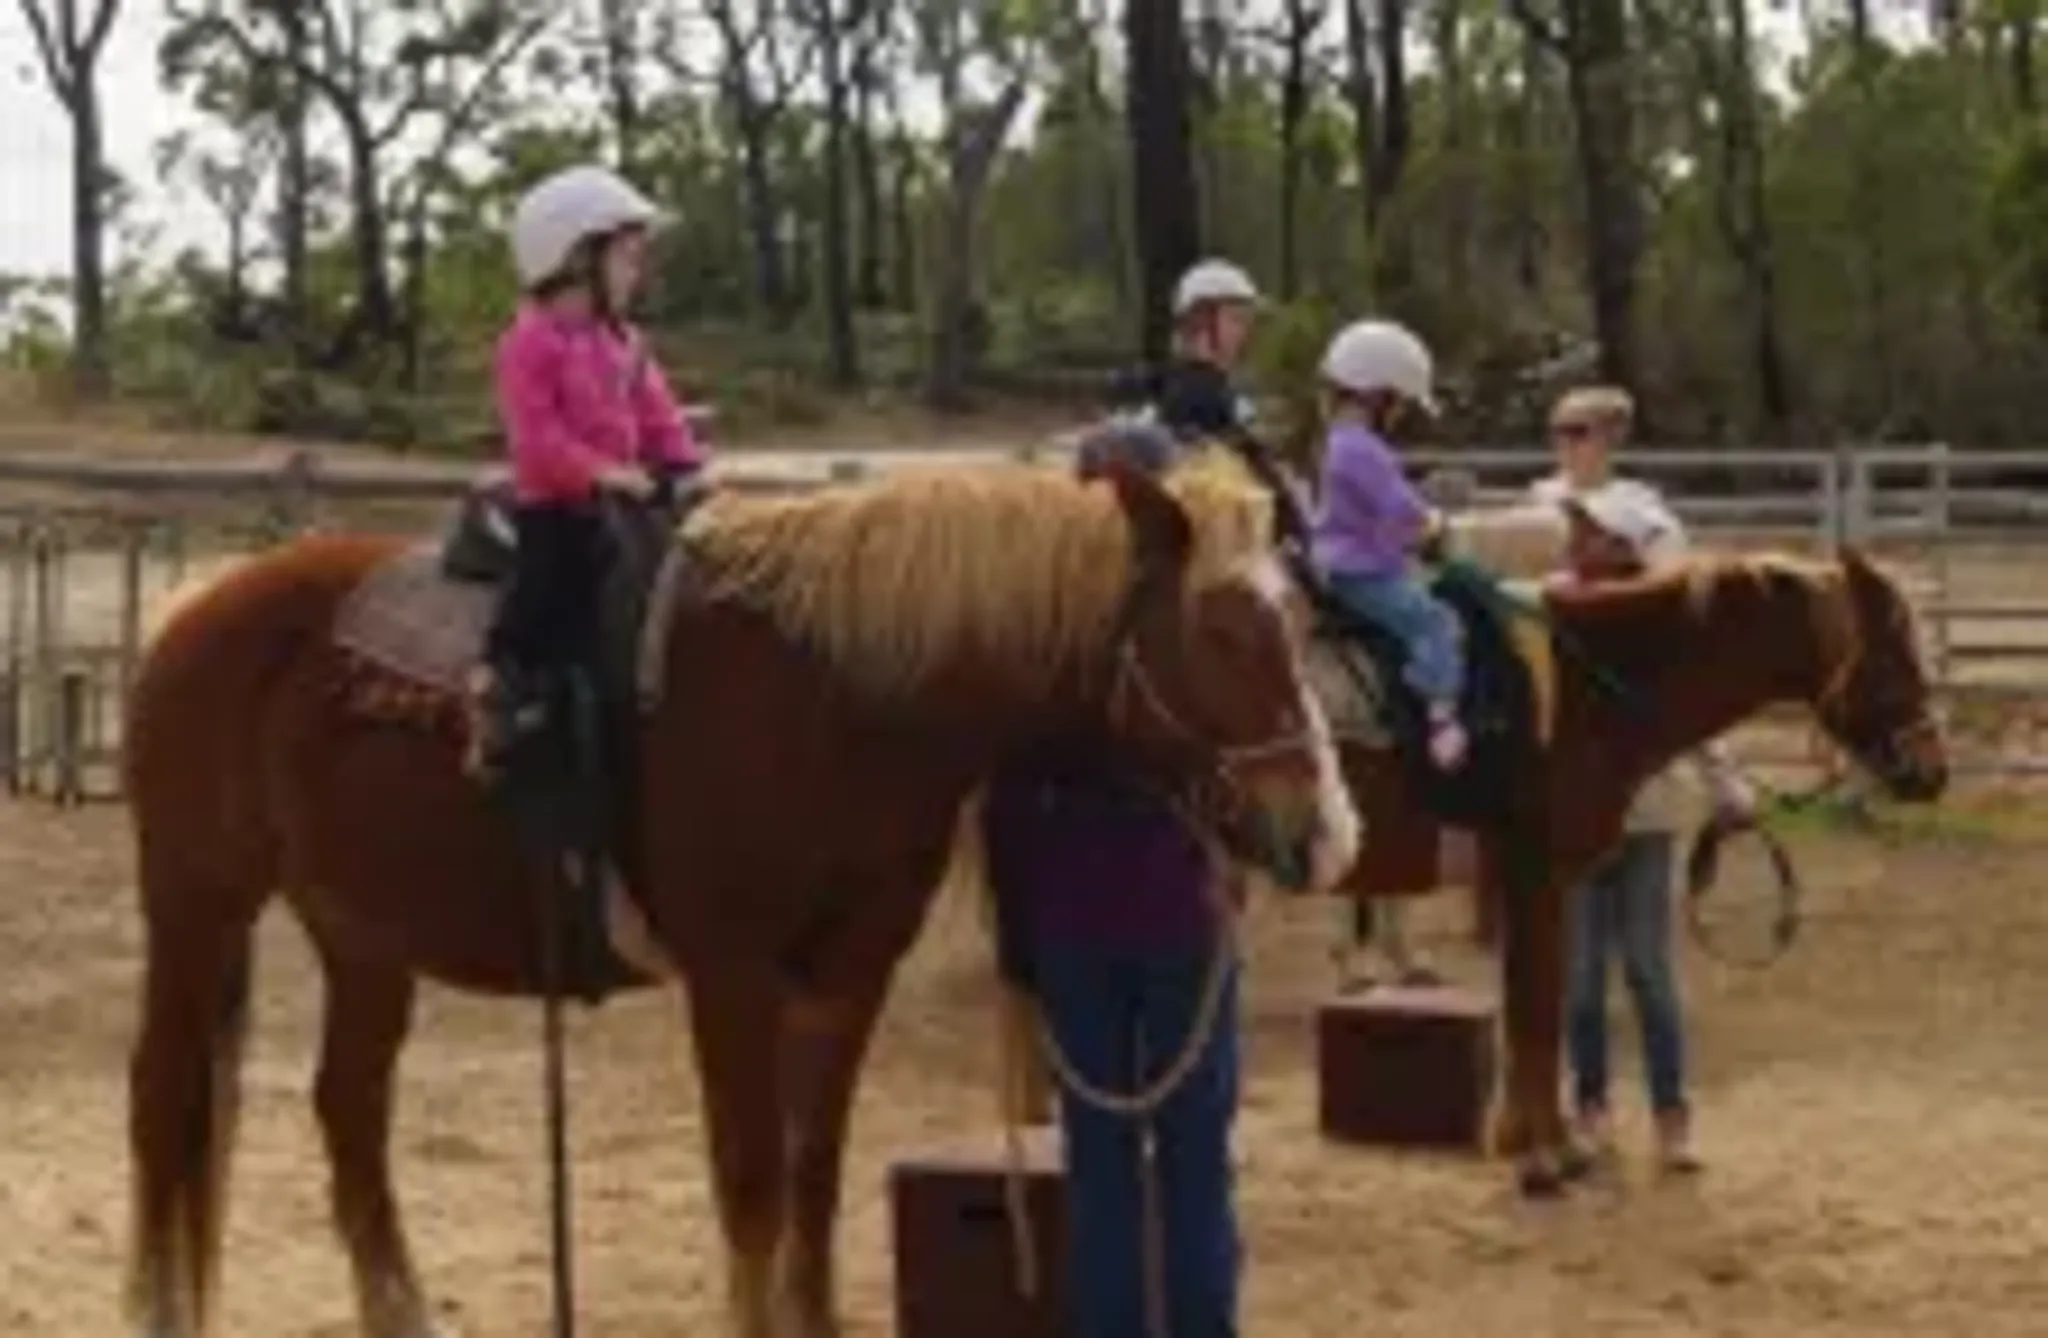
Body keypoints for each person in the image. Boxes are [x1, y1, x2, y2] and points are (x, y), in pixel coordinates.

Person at [983, 422, 1244, 1338]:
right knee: (1193, 1159)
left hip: (1070, 916)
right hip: (1176, 910)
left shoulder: (1034, 636)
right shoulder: (1190, 618)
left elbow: (1002, 802)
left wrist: (1016, 945)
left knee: (1101, 1165)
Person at [1531, 385, 1756, 1173]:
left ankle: (1671, 1116)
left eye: (1582, 431)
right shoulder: (1535, 515)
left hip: (1648, 795)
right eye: (1559, 431)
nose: (1568, 444)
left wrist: (1722, 768)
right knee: (1582, 973)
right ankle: (1589, 1106)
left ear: (1611, 437)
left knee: (1651, 970)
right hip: (1571, 793)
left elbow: (1680, 669)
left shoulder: (1650, 521)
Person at [465, 163, 707, 778]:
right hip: (560, 502)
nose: (638, 272)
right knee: (557, 572)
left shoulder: (626, 342)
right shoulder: (528, 344)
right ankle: (503, 681)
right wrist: (601, 474)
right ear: (575, 259)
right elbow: (537, 440)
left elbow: (659, 416)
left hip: (621, 498)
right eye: (626, 257)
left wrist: (684, 465)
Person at [1309, 318, 1468, 772]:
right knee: (1437, 621)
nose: (1401, 415)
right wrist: (1435, 525)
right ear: (1379, 395)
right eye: (1400, 402)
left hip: (1346, 562)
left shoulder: (1338, 443)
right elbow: (1402, 513)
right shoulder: (1362, 449)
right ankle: (1440, 716)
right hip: (1363, 571)